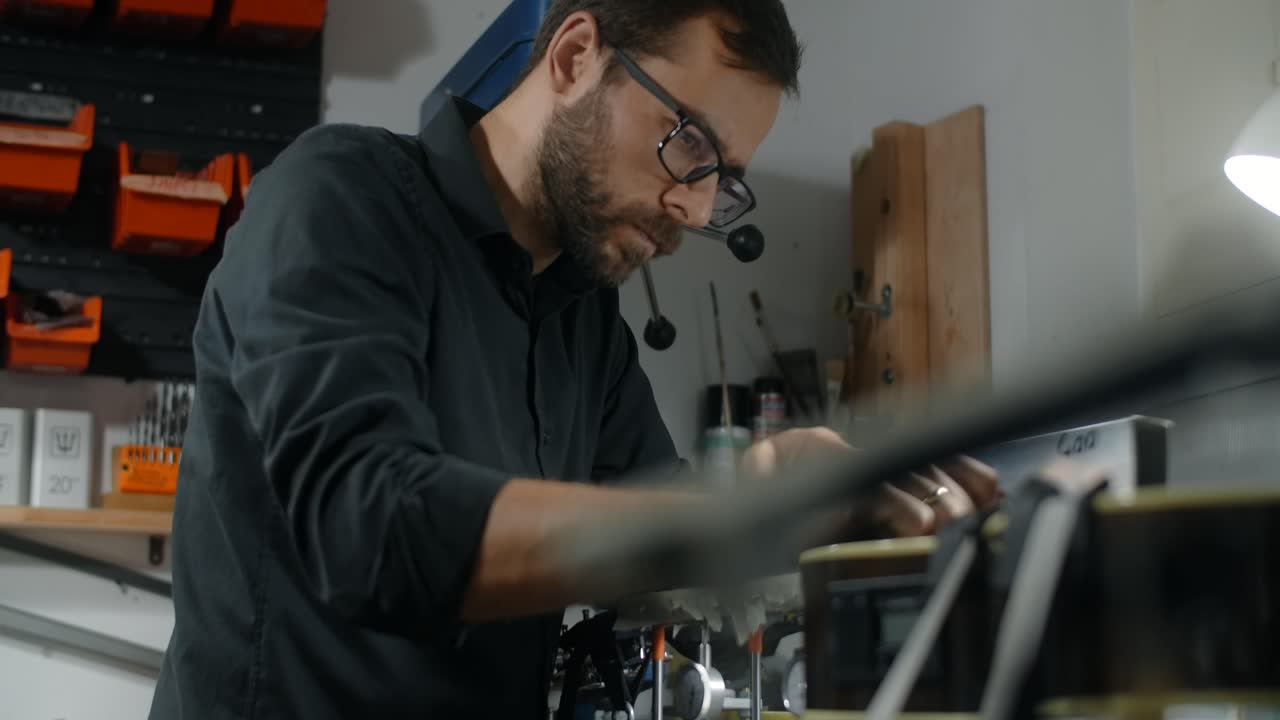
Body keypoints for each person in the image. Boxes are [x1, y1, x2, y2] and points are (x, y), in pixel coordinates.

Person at [149, 2, 1000, 718]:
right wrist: (732, 510)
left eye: (723, 178)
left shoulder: (584, 317)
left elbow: (661, 538)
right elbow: (368, 527)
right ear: (574, 55)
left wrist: (826, 514)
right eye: (689, 143)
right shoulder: (340, 198)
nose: (695, 206)